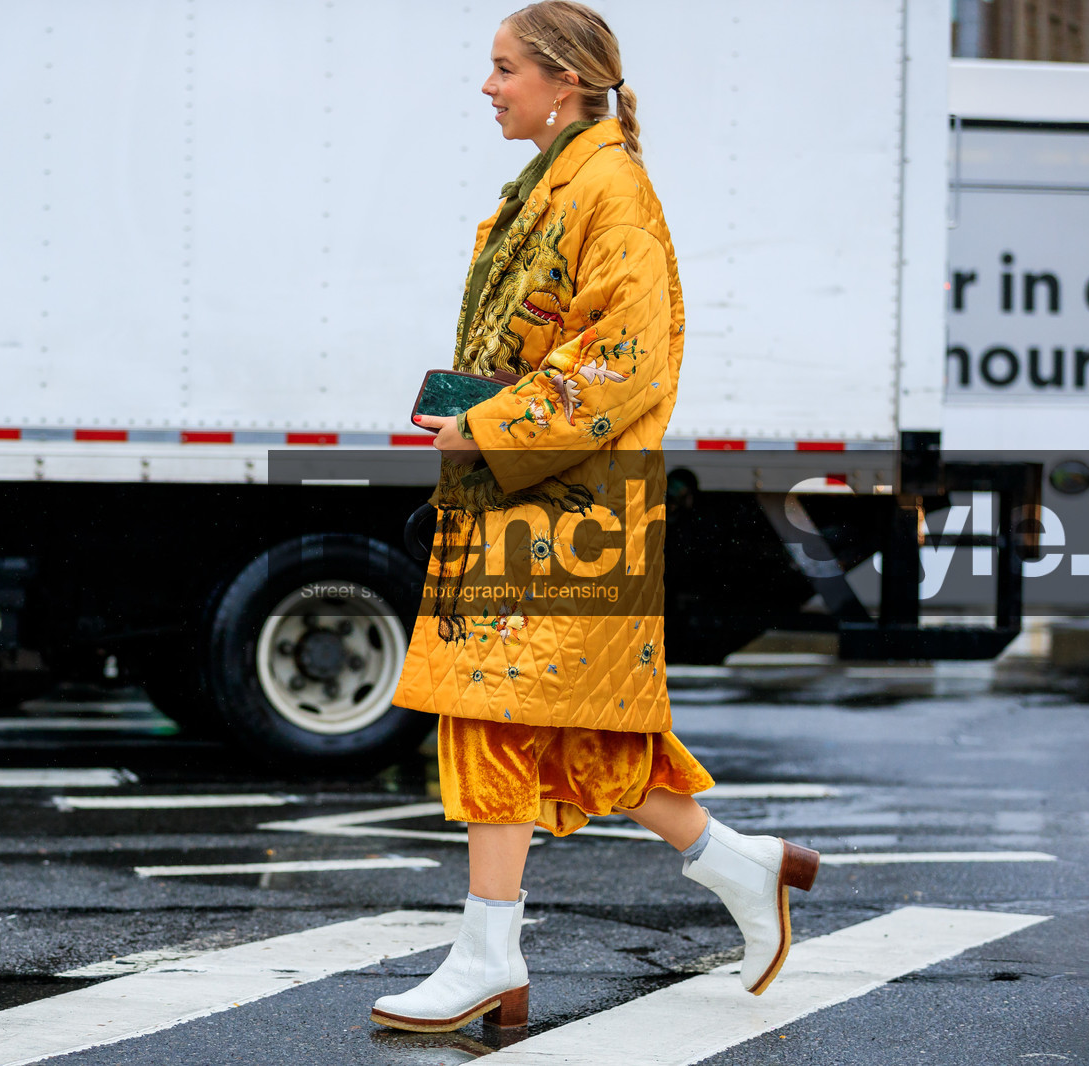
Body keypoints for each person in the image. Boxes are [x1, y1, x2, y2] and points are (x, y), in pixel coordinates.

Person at [371, 2, 820, 1033]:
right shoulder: (552, 183)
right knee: (575, 736)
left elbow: (629, 354)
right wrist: (473, 412)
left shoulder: (606, 189)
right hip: (534, 500)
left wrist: (486, 421)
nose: (488, 89)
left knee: (488, 705)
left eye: (502, 69)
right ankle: (740, 864)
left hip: (563, 510)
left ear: (563, 80)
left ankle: (488, 951)